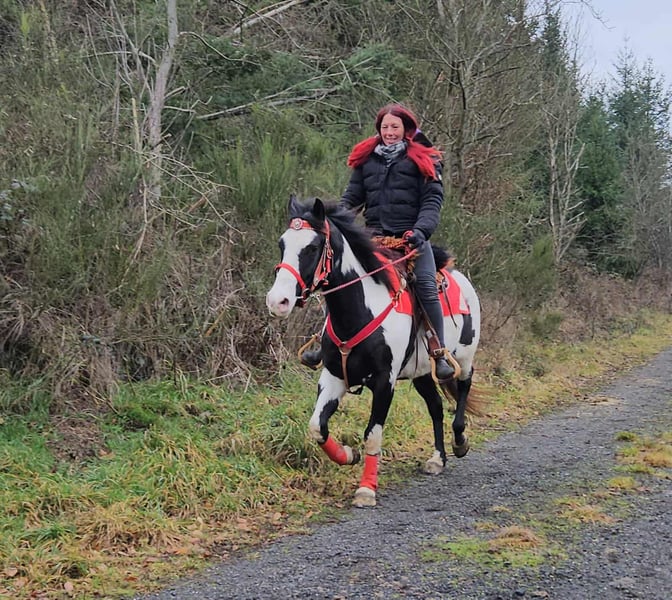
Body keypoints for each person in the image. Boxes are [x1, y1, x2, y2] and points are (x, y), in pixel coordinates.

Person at [301, 103, 454, 380]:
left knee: (426, 287)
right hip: (374, 239)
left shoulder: (424, 159)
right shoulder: (367, 159)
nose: (389, 132)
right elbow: (352, 198)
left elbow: (432, 201)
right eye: (385, 127)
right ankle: (325, 343)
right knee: (339, 279)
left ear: (406, 129)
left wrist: (420, 231)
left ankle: (438, 352)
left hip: (411, 241)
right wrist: (334, 220)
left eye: (395, 127)